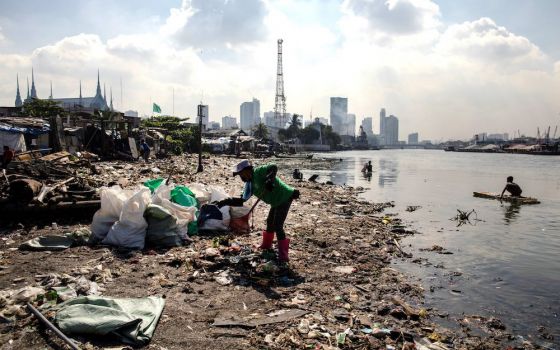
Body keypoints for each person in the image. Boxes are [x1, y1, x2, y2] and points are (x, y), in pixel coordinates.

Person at [217, 160, 300, 263]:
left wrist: (269, 179)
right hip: (275, 202)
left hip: (284, 197)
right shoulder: (249, 185)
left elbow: (273, 166)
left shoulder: (258, 172)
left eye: (241, 174)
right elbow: (242, 200)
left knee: (278, 225)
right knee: (270, 222)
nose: (241, 177)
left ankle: (283, 255)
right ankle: (266, 245)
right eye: (239, 175)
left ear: (247, 170)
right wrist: (226, 201)